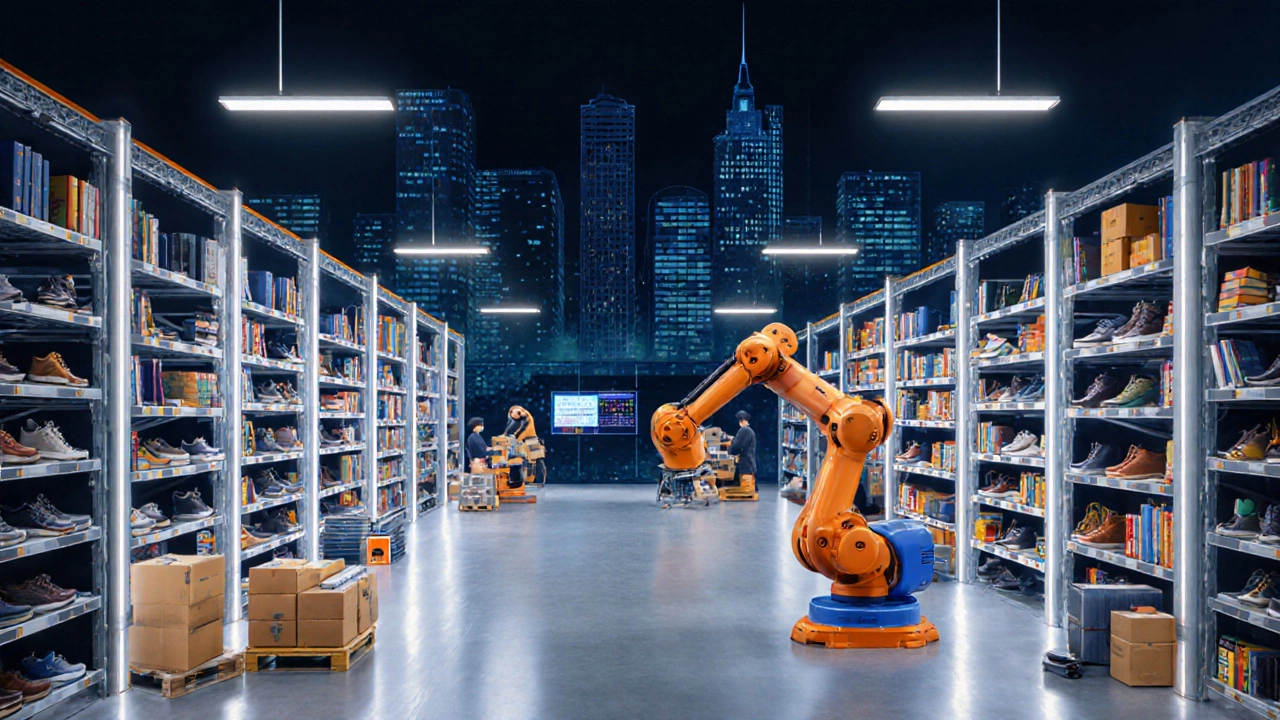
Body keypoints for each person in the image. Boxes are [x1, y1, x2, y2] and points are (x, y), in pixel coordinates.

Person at [727, 410, 756, 489]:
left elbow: (737, 446)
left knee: (746, 488)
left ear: (742, 420)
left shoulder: (744, 430)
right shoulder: (750, 431)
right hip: (749, 464)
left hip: (746, 465)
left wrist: (731, 444)